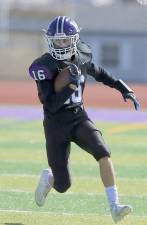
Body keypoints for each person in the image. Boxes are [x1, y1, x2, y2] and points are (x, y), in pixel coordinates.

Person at [28, 16, 140, 223]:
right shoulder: (43, 65)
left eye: (65, 40)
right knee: (63, 186)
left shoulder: (81, 56)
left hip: (78, 116)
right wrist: (69, 85)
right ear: (50, 40)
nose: (61, 45)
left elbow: (100, 73)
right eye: (57, 40)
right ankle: (50, 178)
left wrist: (122, 87)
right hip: (55, 123)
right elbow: (50, 105)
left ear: (74, 40)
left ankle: (115, 206)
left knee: (103, 152)